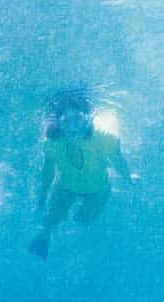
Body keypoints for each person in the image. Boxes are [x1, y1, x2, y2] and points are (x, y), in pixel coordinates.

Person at [29, 90, 134, 259]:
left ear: (87, 118)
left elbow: (119, 162)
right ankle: (43, 240)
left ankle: (73, 240)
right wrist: (42, 198)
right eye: (66, 121)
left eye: (77, 119)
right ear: (58, 123)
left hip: (98, 191)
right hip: (65, 186)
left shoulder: (104, 138)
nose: (72, 127)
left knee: (83, 220)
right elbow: (47, 172)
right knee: (48, 222)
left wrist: (129, 178)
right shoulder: (52, 142)